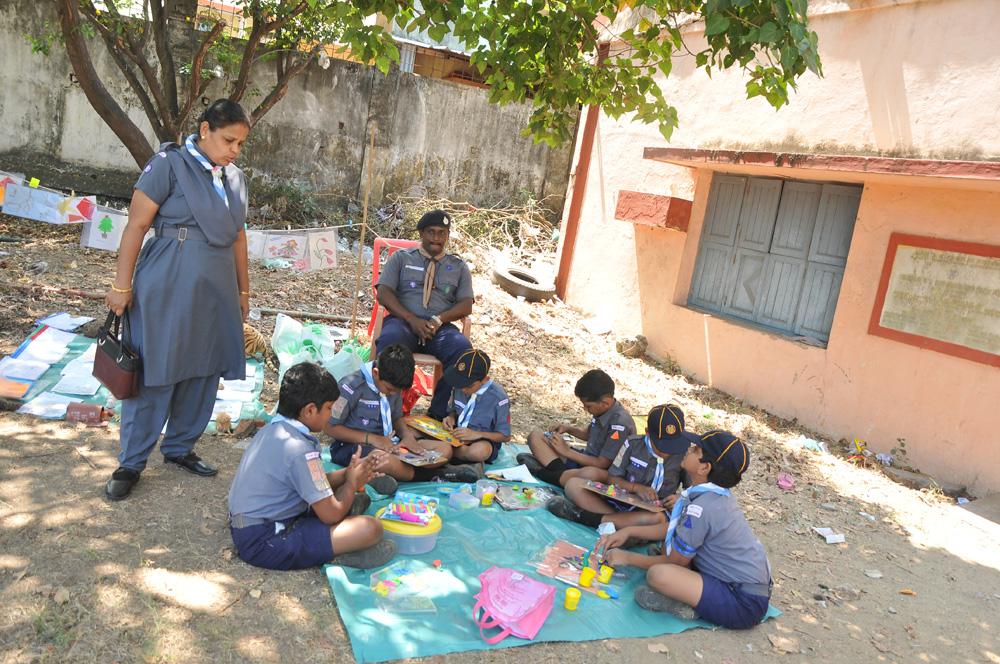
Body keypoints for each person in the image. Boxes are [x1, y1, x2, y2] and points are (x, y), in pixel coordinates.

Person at [105, 99, 253, 501]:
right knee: (157, 366)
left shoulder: (235, 178)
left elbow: (239, 236)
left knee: (204, 369)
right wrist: (121, 285)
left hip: (217, 285)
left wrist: (243, 290)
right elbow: (136, 225)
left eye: (240, 143)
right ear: (205, 130)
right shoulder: (168, 165)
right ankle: (131, 461)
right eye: (228, 140)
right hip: (168, 277)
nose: (234, 150)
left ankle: (180, 447)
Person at [228, 362, 396, 570]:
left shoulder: (274, 430)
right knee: (371, 528)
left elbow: (312, 482)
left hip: (254, 525)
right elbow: (331, 514)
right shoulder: (299, 450)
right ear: (309, 410)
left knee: (354, 500)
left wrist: (348, 473)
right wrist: (351, 484)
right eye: (328, 407)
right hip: (265, 540)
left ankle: (342, 519)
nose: (331, 413)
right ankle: (336, 553)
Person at [596, 430, 772, 630]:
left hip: (742, 602)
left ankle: (686, 605)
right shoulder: (713, 495)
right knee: (668, 548)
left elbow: (674, 562)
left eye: (696, 450)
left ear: (704, 467)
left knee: (658, 575)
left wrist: (626, 558)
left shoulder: (702, 507)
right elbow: (675, 528)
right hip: (744, 587)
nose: (688, 449)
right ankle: (691, 589)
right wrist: (628, 532)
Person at [325, 344, 479, 484]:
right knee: (382, 460)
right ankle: (436, 474)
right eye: (390, 390)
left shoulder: (394, 384)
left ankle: (386, 476)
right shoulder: (351, 386)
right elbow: (330, 427)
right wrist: (372, 439)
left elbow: (397, 418)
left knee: (445, 449)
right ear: (376, 373)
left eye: (397, 391)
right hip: (353, 447)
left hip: (390, 444)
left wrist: (407, 437)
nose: (393, 393)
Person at [375, 209, 473, 420]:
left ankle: (437, 415)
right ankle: (389, 411)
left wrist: (439, 319)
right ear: (421, 233)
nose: (436, 238)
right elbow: (383, 292)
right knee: (390, 342)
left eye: (442, 233)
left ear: (447, 235)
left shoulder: (458, 267)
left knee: (462, 350)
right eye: (431, 232)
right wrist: (411, 319)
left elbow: (466, 305)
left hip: (440, 327)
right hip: (404, 321)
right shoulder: (401, 259)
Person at [546, 404, 695, 531]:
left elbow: (694, 490)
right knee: (573, 485)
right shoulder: (632, 444)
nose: (667, 451)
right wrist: (636, 488)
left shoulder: (685, 453)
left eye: (673, 444)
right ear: (648, 433)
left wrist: (679, 498)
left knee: (658, 519)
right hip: (620, 504)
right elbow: (612, 477)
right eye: (662, 445)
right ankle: (621, 525)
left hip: (653, 512)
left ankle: (587, 517)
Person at [517, 369, 635, 486]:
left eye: (588, 406)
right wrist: (568, 429)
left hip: (599, 471)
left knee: (591, 473)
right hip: (583, 461)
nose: (585, 409)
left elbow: (602, 463)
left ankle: (544, 474)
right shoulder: (601, 411)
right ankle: (562, 475)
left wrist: (567, 451)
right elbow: (589, 435)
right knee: (535, 436)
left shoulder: (620, 424)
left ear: (606, 403)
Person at [441, 349, 511, 464]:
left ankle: (448, 454)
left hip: (482, 439)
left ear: (485, 380)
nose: (463, 389)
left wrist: (476, 435)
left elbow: (505, 436)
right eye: (460, 383)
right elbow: (453, 410)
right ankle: (453, 455)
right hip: (456, 434)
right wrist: (451, 418)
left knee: (478, 452)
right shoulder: (459, 386)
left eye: (469, 385)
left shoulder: (499, 399)